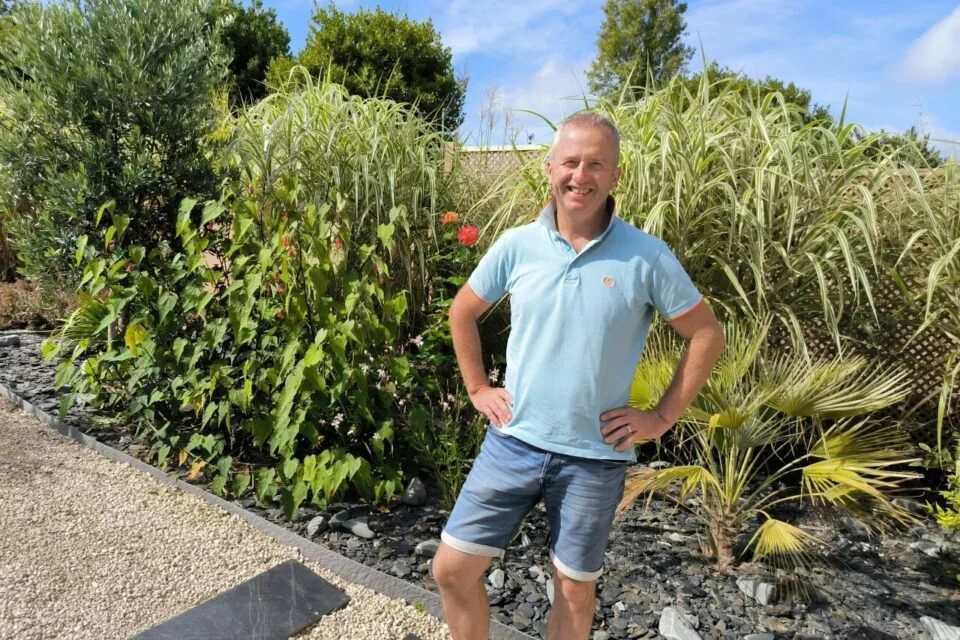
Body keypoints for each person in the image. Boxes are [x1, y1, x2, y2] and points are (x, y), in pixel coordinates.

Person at [432, 111, 726, 640]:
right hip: (513, 442)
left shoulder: (647, 257)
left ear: (615, 175)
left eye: (596, 164)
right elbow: (463, 311)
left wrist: (661, 416)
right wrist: (478, 388)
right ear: (550, 169)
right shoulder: (518, 245)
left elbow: (707, 334)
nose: (580, 175)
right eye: (570, 161)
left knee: (573, 590)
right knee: (451, 570)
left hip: (594, 459)